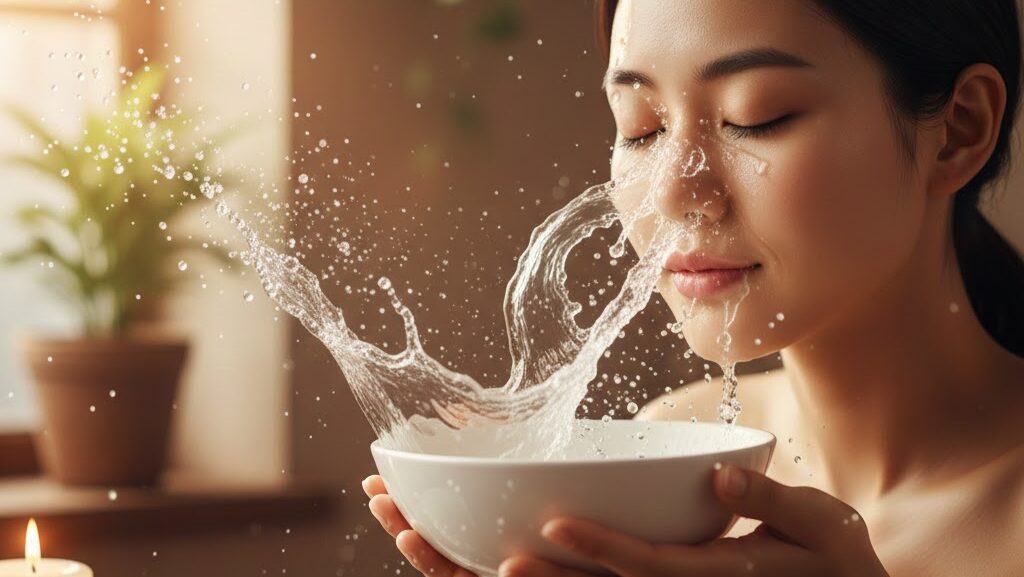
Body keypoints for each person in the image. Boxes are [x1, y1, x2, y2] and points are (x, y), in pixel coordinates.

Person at [363, 0, 1024, 575]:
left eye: (755, 117)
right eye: (641, 128)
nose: (675, 192)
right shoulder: (674, 450)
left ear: (959, 130)